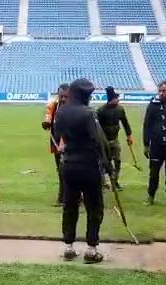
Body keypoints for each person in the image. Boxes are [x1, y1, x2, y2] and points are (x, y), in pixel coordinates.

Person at [54, 78, 112, 264]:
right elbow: (99, 142)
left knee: (69, 206)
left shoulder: (61, 111)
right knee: (94, 207)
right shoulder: (88, 113)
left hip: (68, 165)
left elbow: (58, 135)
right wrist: (107, 166)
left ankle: (68, 247)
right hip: (88, 166)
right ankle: (91, 249)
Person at [96, 86, 133, 190]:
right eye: (116, 98)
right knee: (103, 162)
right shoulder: (101, 111)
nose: (118, 100)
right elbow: (96, 126)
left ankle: (115, 181)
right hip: (103, 141)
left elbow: (125, 123)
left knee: (117, 161)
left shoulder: (120, 109)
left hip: (114, 140)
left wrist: (129, 136)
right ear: (111, 99)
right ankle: (102, 183)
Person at [42, 83, 69, 206]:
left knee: (70, 172)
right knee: (61, 171)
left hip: (72, 146)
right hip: (57, 144)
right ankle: (62, 198)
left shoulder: (74, 108)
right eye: (61, 96)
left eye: (66, 96)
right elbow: (47, 120)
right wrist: (46, 124)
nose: (63, 99)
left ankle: (69, 198)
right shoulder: (53, 106)